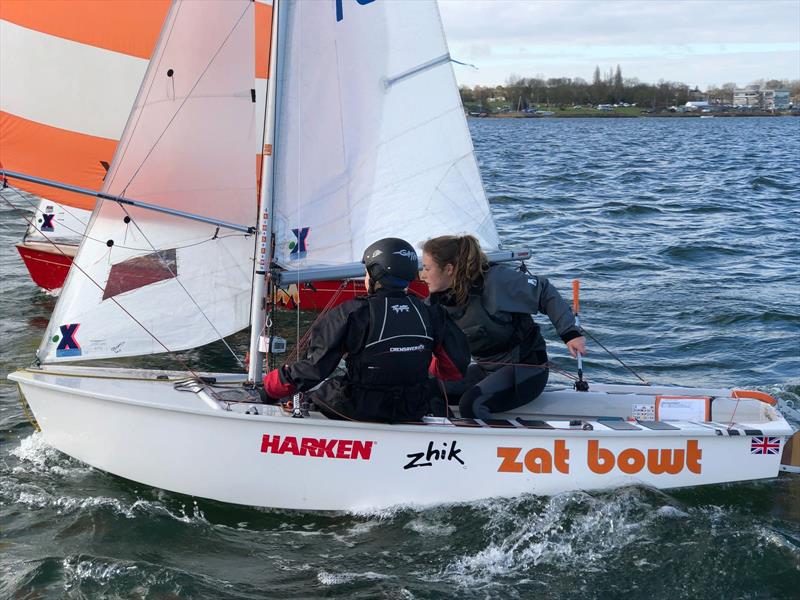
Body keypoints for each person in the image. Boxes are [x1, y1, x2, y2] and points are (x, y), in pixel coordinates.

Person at [262, 237, 470, 422]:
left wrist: (269, 388)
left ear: (377, 273)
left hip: (360, 409)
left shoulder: (351, 313)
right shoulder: (432, 312)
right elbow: (455, 367)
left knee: (315, 393)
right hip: (412, 408)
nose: (365, 277)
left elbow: (314, 369)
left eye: (366, 271)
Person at [420, 234, 586, 421]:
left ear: (449, 269)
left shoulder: (495, 281)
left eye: (427, 268)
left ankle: (496, 446)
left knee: (472, 404)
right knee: (426, 389)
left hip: (527, 371)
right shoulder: (435, 301)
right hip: (486, 370)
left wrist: (570, 333)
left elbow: (544, 292)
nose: (422, 274)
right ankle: (447, 439)